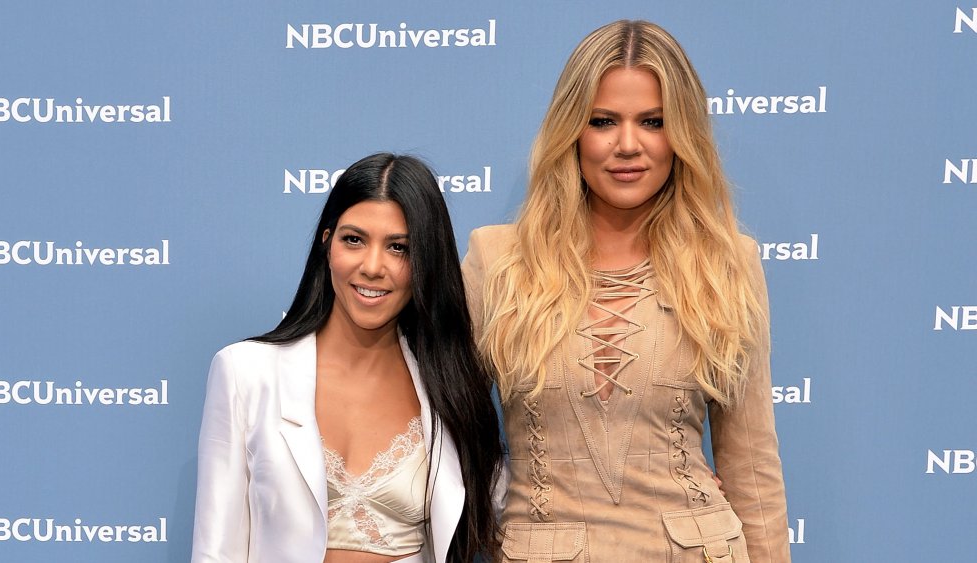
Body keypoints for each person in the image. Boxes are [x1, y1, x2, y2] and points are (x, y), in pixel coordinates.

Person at [462, 20, 790, 562]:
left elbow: (751, 463)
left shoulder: (726, 262)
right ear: (573, 130)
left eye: (653, 122)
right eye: (604, 121)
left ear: (681, 134)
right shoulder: (498, 261)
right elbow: (445, 432)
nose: (628, 145)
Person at [192, 153, 503, 563]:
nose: (373, 266)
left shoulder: (451, 388)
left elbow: (517, 508)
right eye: (354, 239)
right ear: (327, 243)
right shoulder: (245, 372)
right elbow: (216, 549)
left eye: (399, 248)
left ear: (425, 262)